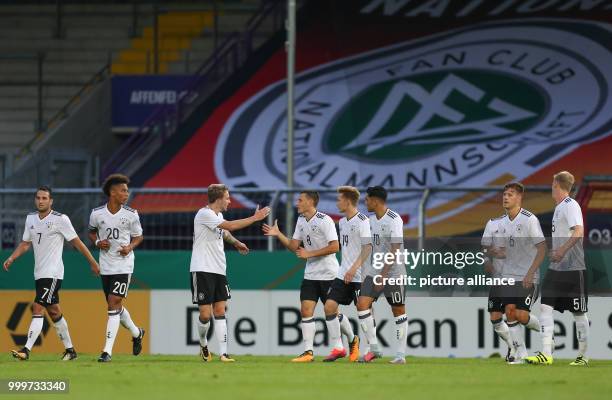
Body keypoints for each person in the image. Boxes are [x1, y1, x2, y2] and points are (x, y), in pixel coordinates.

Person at [5, 186, 99, 361]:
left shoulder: (61, 219)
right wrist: (12, 258)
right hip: (40, 273)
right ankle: (71, 351)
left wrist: (93, 262)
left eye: (44, 198)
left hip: (53, 273)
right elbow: (25, 244)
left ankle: (26, 350)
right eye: (38, 198)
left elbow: (77, 243)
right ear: (35, 200)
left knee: (37, 307)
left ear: (51, 201)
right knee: (54, 312)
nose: (41, 201)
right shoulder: (30, 219)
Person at [191, 184, 270, 362]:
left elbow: (225, 232)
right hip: (202, 268)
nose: (229, 200)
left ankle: (224, 353)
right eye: (227, 197)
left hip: (219, 269)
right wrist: (255, 218)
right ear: (218, 199)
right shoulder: (204, 214)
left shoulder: (218, 215)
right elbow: (230, 226)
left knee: (220, 310)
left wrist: (236, 243)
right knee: (205, 315)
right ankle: (203, 343)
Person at [263, 191, 339, 362]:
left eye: (300, 200)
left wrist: (309, 253)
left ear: (311, 202)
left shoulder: (324, 220)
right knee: (306, 310)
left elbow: (335, 247)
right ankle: (308, 352)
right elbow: (294, 246)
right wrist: (279, 234)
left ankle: (351, 340)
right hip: (311, 273)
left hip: (329, 274)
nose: (297, 203)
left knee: (333, 313)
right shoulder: (301, 220)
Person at [526, 171, 589, 366]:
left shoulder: (571, 206)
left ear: (557, 185)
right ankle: (546, 353)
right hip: (557, 268)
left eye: (552, 184)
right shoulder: (560, 207)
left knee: (579, 312)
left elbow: (579, 231)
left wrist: (561, 249)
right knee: (545, 307)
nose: (551, 188)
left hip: (573, 267)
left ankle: (583, 357)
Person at [88, 174, 145, 362]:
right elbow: (90, 232)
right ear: (112, 192)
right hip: (106, 265)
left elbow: (138, 237)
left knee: (113, 303)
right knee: (115, 306)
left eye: (127, 191)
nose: (126, 194)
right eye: (123, 190)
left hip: (124, 265)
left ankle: (107, 351)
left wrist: (129, 247)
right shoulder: (97, 213)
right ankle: (137, 333)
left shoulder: (131, 214)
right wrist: (97, 242)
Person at [357, 186, 407, 364]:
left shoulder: (394, 219)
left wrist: (384, 275)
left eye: (367, 199)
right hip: (374, 271)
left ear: (376, 200)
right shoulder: (369, 221)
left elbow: (395, 249)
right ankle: (374, 348)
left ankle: (400, 355)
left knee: (398, 309)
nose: (365, 202)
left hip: (394, 273)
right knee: (362, 305)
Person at [322, 186, 371, 362]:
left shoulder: (363, 221)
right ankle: (338, 348)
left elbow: (367, 248)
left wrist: (353, 268)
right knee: (329, 307)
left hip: (360, 275)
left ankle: (369, 349)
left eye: (339, 199)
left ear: (348, 201)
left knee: (365, 312)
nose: (337, 203)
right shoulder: (342, 222)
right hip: (343, 274)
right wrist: (346, 269)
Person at [497, 182, 545, 364]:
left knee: (521, 315)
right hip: (508, 276)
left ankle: (547, 333)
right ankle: (521, 354)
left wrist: (530, 273)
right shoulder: (502, 222)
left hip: (528, 276)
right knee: (509, 311)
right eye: (504, 194)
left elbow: (542, 248)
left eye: (510, 194)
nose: (505, 197)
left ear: (519, 198)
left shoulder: (529, 219)